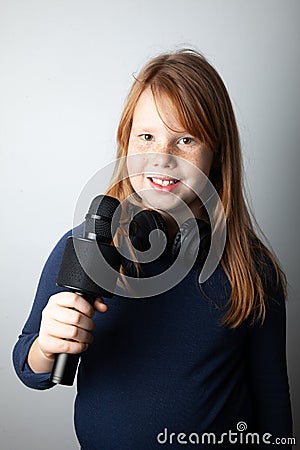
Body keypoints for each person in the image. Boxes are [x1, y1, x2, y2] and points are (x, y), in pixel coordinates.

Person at [13, 49, 293, 449]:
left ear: (216, 155)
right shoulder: (85, 247)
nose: (162, 158)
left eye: (186, 139)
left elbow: (273, 401)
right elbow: (29, 365)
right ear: (126, 141)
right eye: (147, 136)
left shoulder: (252, 269)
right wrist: (46, 345)